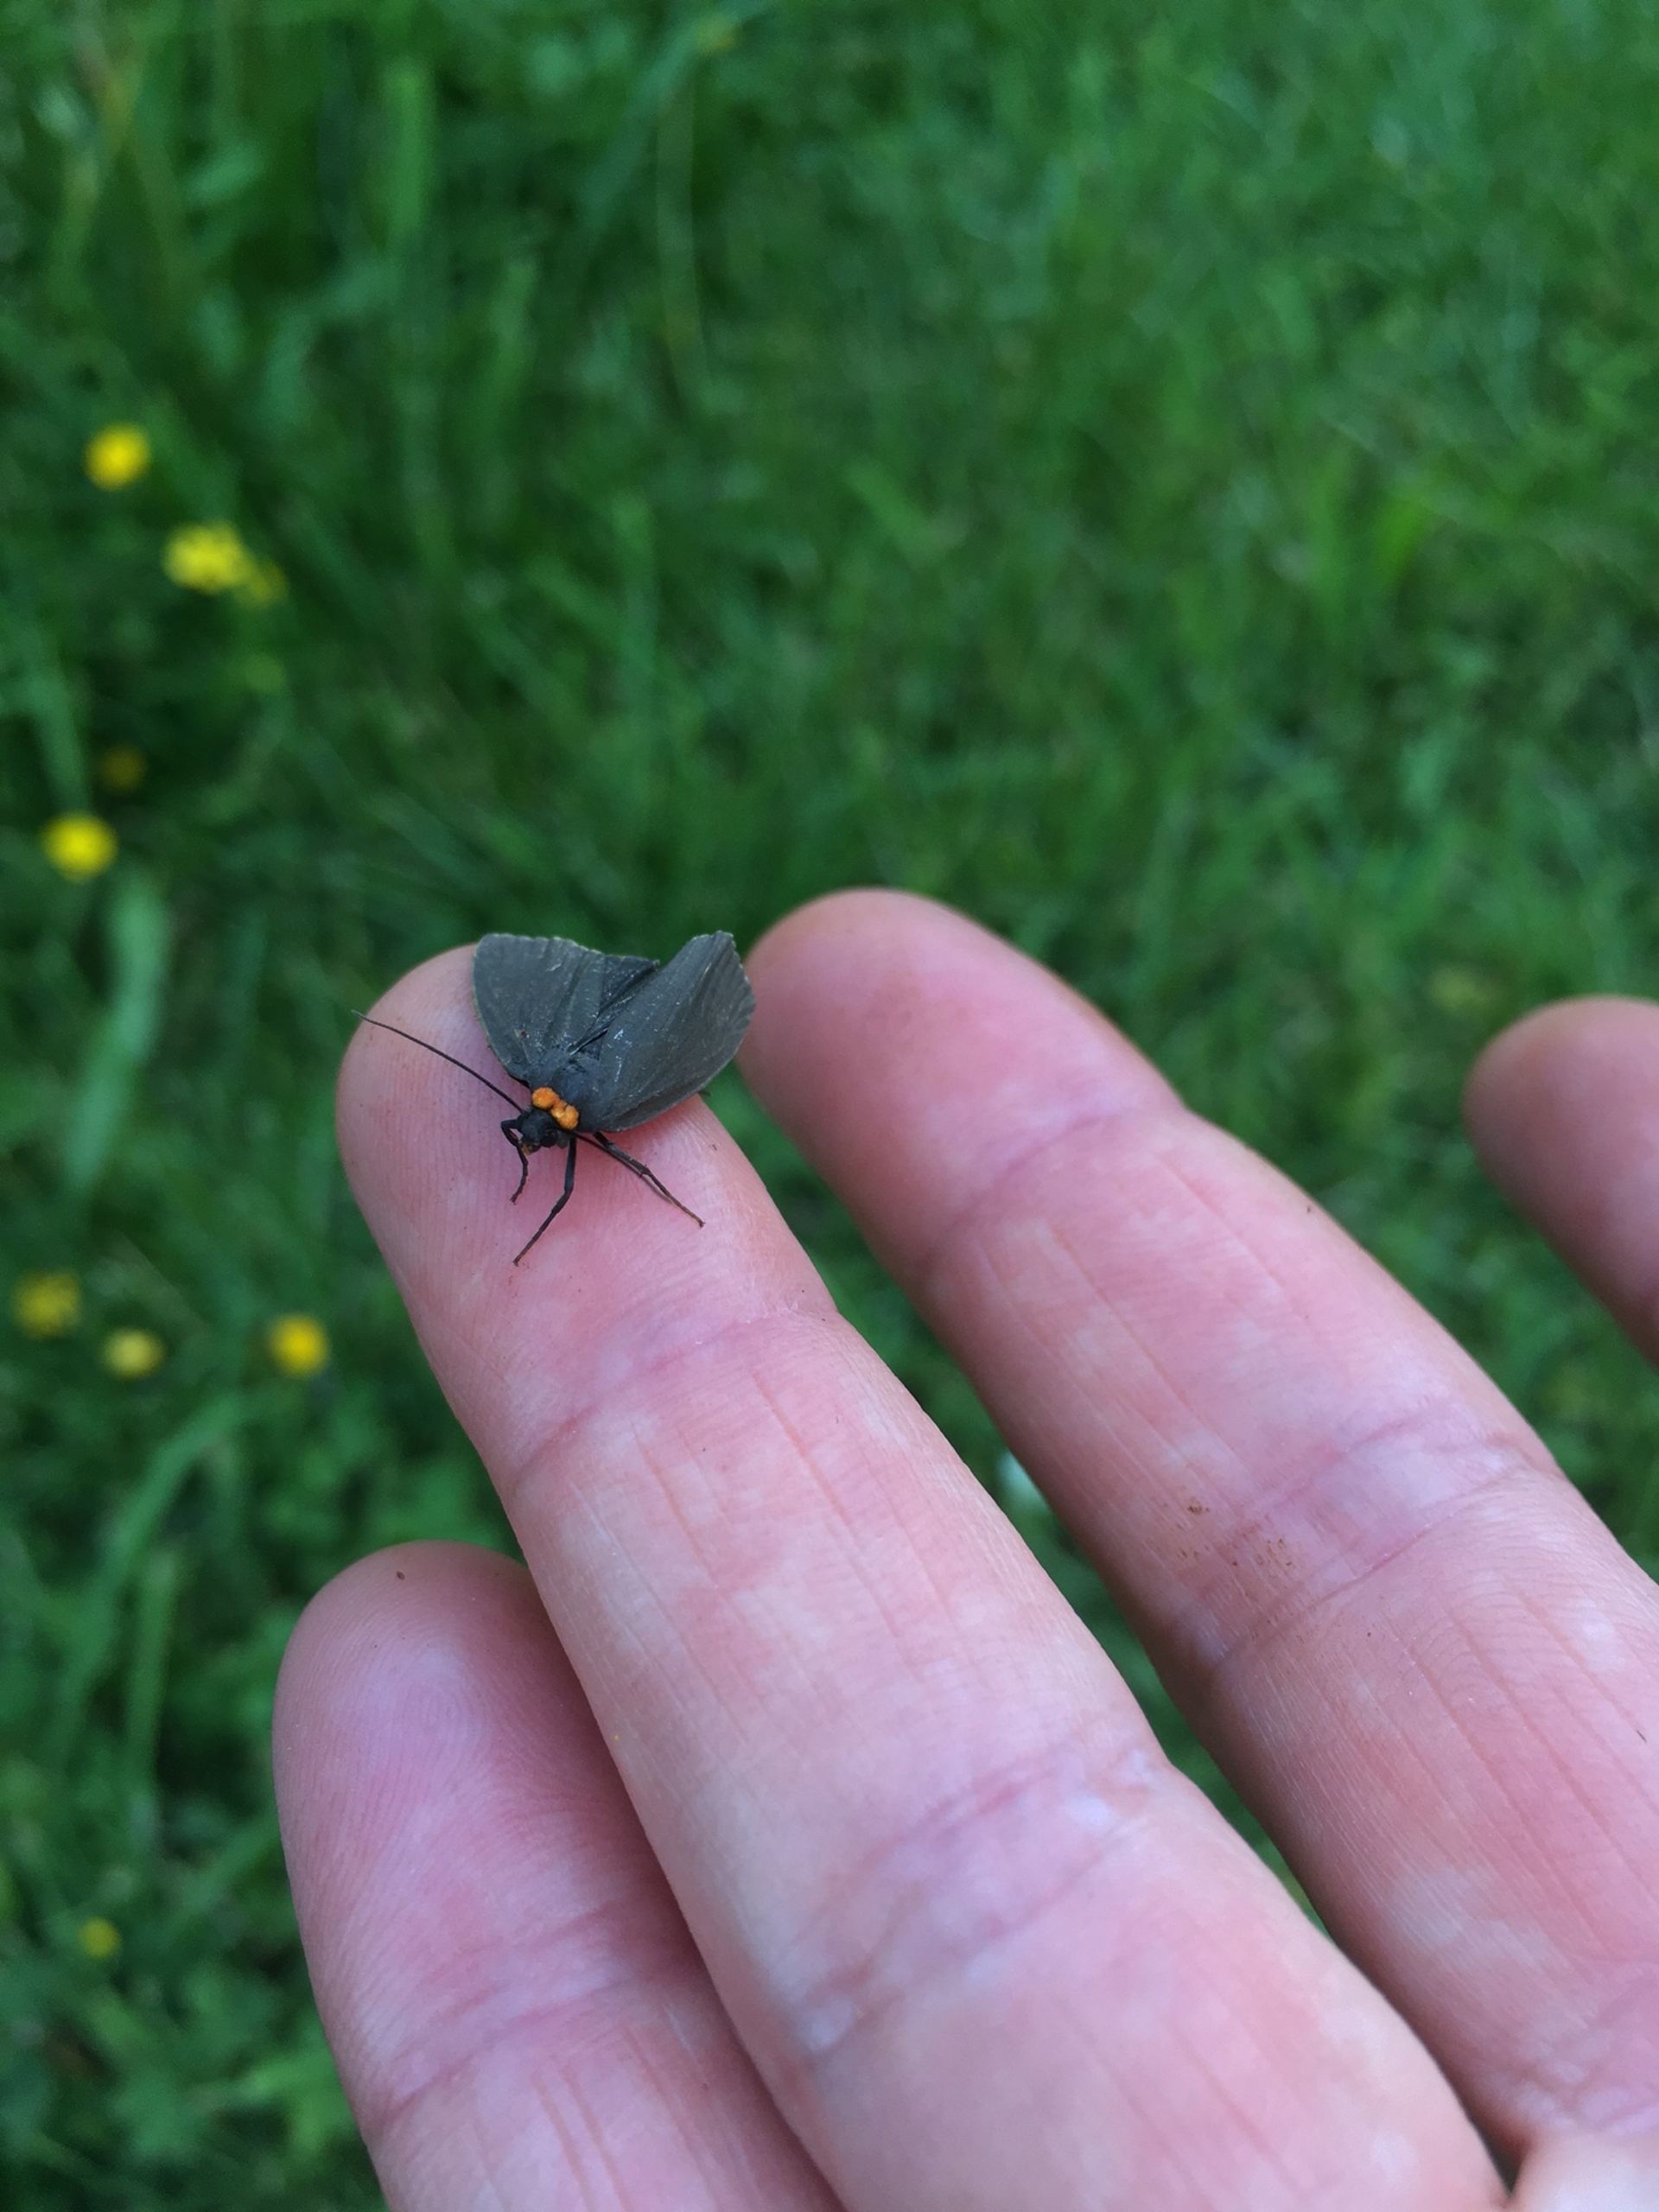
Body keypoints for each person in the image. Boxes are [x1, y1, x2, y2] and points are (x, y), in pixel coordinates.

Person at [274, 889, 1659, 2211]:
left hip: (610, 1056)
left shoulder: (578, 1111)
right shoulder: (561, 1101)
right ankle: (681, 981)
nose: (532, 1131)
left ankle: (681, 982)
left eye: (536, 1129)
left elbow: (582, 1161)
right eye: (535, 1126)